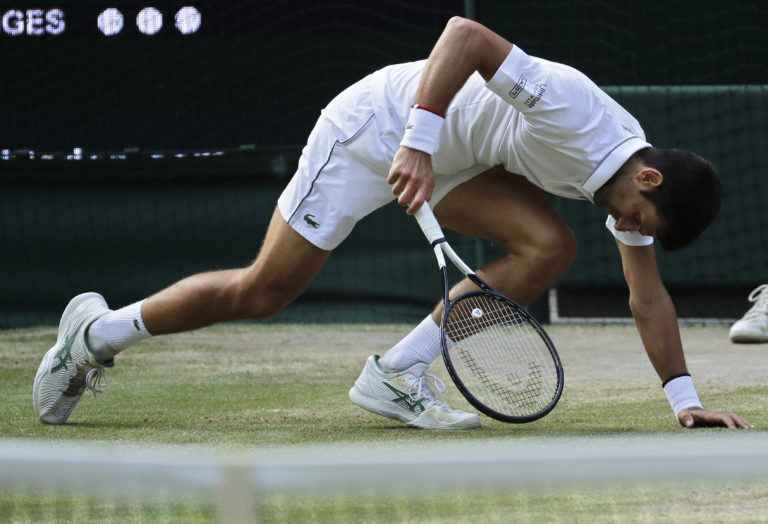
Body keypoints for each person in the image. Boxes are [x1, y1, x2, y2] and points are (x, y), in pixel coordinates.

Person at [34, 16, 753, 430]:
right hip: (373, 128)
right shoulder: (574, 109)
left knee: (548, 247)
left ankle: (396, 374)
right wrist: (417, 140)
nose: (633, 231)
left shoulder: (625, 186)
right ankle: (94, 336)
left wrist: (686, 402)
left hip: (453, 159)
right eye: (642, 221)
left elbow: (647, 296)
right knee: (263, 291)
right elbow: (464, 35)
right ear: (647, 180)